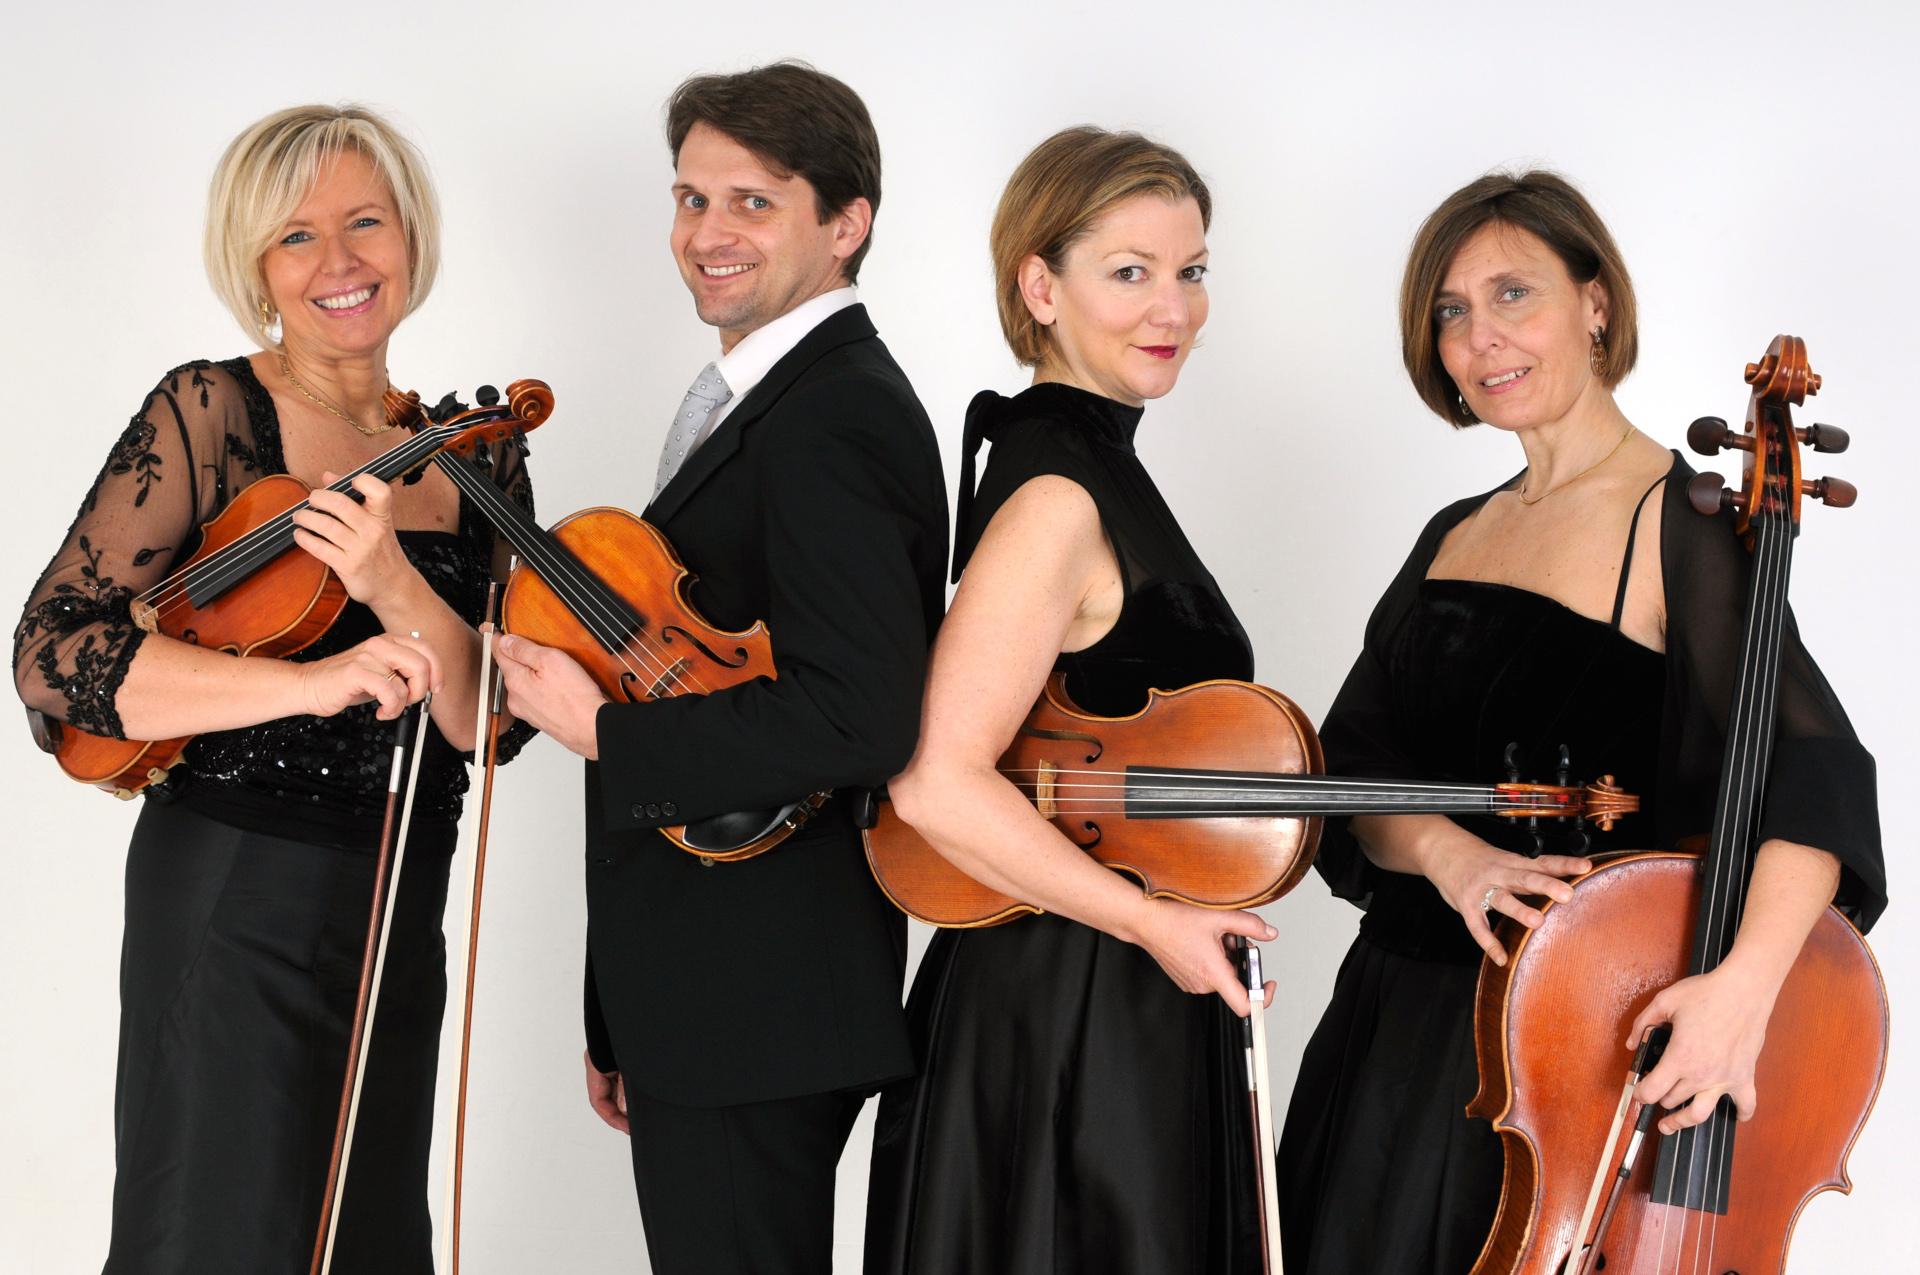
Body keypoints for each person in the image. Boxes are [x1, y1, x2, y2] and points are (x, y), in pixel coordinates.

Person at [1277, 169, 1886, 1274]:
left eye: (1513, 293)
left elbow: (1819, 776)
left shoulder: (1683, 526)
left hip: (1568, 1045)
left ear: (1595, 303)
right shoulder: (1454, 533)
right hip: (1391, 1031)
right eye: (1451, 311)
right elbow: (1356, 768)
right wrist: (1453, 857)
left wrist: (1740, 996)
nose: (1481, 337)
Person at [12, 104, 533, 1273]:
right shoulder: (212, 412)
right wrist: (311, 685)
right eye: (297, 235)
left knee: (369, 1236)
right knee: (222, 1228)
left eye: (365, 222)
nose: (339, 261)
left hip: (400, 894)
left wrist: (393, 583)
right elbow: (54, 652)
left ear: (412, 235)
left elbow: (490, 724)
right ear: (256, 266)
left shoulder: (476, 454)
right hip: (236, 893)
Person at [492, 62, 946, 1275]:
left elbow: (861, 716)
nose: (707, 233)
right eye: (691, 199)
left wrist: (604, 735)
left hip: (759, 1005)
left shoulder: (838, 414)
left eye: (753, 201)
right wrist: (618, 1005)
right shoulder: (774, 397)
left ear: (845, 224)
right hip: (709, 1001)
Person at [863, 126, 1272, 1275]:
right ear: (1040, 288)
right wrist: (1151, 924)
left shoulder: (1090, 465)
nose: (1174, 308)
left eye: (1191, 271)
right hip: (1067, 1010)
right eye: (1130, 272)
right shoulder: (1058, 493)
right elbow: (936, 782)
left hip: (1108, 983)